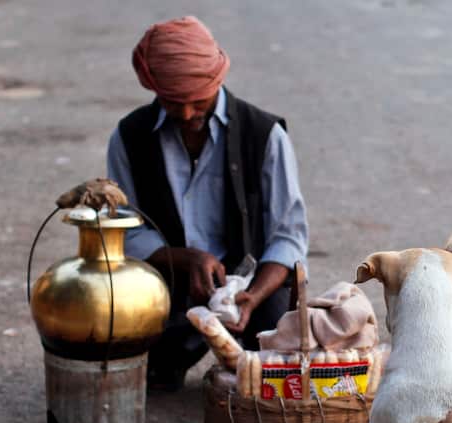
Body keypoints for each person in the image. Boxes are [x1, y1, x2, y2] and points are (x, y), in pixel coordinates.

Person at [107, 16, 308, 391]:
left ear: (216, 80)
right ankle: (169, 356)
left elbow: (288, 237)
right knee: (146, 373)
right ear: (153, 89)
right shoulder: (130, 137)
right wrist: (186, 259)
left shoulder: (264, 135)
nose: (185, 115)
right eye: (172, 103)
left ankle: (252, 331)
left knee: (269, 378)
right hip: (168, 280)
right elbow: (126, 228)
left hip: (250, 285)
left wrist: (252, 296)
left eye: (196, 102)